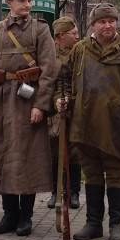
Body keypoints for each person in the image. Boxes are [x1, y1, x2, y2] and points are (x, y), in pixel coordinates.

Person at [59, 4, 120, 240]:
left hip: (117, 125)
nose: (108, 25)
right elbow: (65, 79)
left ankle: (116, 224)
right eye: (102, 21)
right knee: (91, 175)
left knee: (114, 174)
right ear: (93, 25)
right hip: (84, 124)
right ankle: (93, 224)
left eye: (111, 21)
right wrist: (61, 99)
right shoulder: (80, 49)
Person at [0, 0, 59, 237]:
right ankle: (9, 215)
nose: (27, 5)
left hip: (27, 101)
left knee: (27, 157)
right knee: (3, 156)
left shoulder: (41, 30)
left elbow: (49, 71)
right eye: (22, 1)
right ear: (9, 2)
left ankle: (25, 216)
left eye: (29, 0)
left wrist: (41, 105)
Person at [48, 16, 82, 211]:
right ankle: (55, 191)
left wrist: (71, 99)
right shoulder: (48, 54)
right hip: (55, 109)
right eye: (73, 33)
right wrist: (56, 100)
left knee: (75, 152)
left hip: (75, 108)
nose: (77, 37)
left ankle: (74, 192)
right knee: (54, 152)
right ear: (60, 36)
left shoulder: (80, 52)